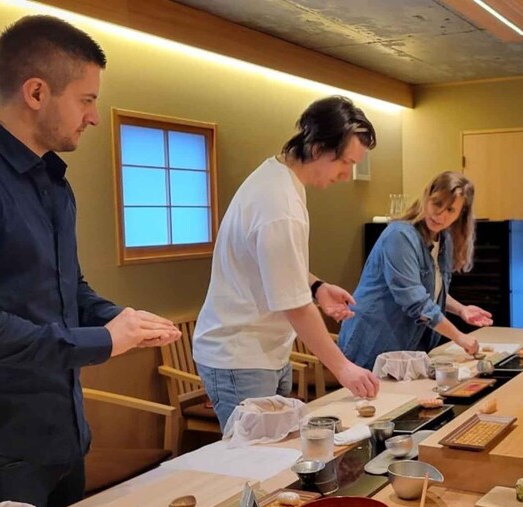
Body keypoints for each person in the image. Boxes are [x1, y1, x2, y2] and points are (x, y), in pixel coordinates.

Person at [0, 15, 181, 507]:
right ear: (36, 92)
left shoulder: (52, 183)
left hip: (58, 435)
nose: (94, 117)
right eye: (86, 100)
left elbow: (67, 290)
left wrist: (120, 319)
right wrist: (104, 341)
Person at [193, 96, 381, 429]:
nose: (346, 175)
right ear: (319, 147)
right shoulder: (279, 204)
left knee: (277, 456)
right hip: (241, 355)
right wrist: (344, 368)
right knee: (255, 463)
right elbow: (295, 306)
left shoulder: (279, 177)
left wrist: (318, 287)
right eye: (345, 163)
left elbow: (273, 261)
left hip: (264, 351)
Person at [338, 171, 493, 370]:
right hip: (372, 341)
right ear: (427, 197)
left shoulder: (443, 240)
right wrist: (460, 337)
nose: (441, 215)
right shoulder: (400, 236)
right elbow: (416, 301)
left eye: (451, 210)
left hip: (406, 346)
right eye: (437, 203)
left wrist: (460, 309)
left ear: (460, 215)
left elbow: (430, 292)